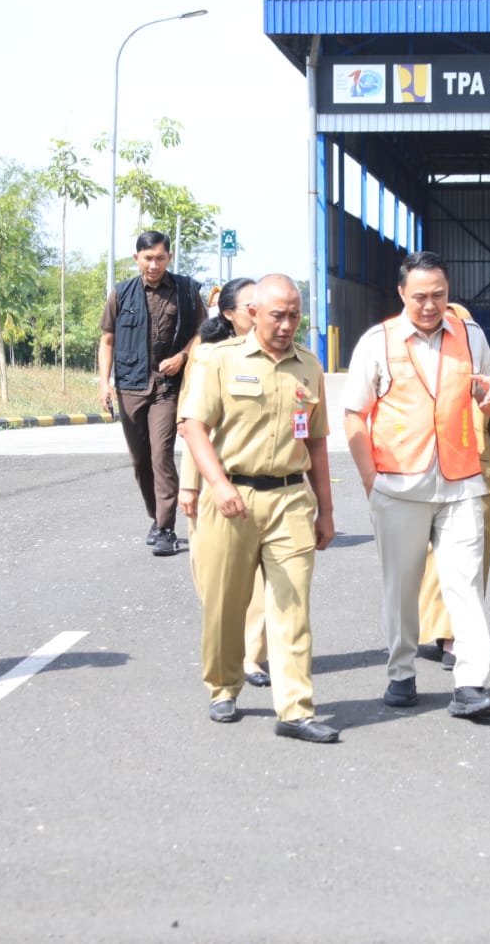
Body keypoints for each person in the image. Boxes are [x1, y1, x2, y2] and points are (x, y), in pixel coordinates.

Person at [343, 251, 490, 721]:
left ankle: (471, 683)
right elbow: (354, 413)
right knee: (402, 586)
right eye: (420, 297)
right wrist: (371, 480)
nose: (431, 305)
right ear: (401, 295)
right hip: (399, 485)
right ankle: (401, 673)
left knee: (466, 585)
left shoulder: (470, 335)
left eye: (439, 295)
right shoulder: (378, 341)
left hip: (460, 484)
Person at [178, 274, 340, 743]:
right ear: (254, 313)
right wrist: (217, 484)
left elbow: (317, 441)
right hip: (231, 499)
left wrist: (326, 511)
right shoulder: (220, 360)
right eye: (277, 315)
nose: (287, 324)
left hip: (290, 497)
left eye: (294, 315)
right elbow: (193, 428)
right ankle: (224, 687)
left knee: (292, 605)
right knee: (225, 603)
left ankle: (294, 709)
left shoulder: (308, 367)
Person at [177, 278, 272, 689]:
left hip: (270, 489)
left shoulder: (286, 358)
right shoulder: (208, 357)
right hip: (218, 482)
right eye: (250, 305)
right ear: (230, 313)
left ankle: (253, 656)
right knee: (217, 578)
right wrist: (190, 486)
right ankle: (227, 651)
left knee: (263, 583)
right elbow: (192, 428)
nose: (259, 311)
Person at [414, 303, 490, 669]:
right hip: (430, 480)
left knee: (471, 565)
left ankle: (456, 637)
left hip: (482, 482)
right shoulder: (424, 377)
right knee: (432, 562)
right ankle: (440, 631)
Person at [98, 229, 206, 558]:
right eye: (148, 258)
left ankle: (166, 528)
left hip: (168, 387)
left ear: (169, 257)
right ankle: (154, 517)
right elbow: (107, 340)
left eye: (160, 258)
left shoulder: (186, 292)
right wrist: (104, 382)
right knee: (139, 460)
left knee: (161, 455)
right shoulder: (121, 294)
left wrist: (183, 355)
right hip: (130, 383)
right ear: (136, 259)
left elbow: (204, 331)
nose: (154, 265)